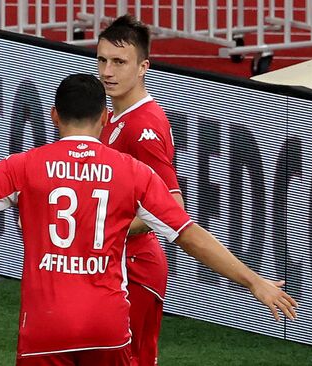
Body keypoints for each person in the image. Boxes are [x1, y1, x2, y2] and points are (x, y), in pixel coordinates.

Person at [0, 74, 297, 366]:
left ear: (54, 116)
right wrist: (253, 280)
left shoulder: (25, 166)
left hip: (45, 325)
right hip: (106, 324)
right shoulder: (133, 173)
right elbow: (189, 235)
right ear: (102, 118)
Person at [97, 14, 183, 366]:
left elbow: (172, 205)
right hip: (116, 261)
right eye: (102, 60)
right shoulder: (114, 116)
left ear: (143, 66)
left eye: (119, 62)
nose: (107, 72)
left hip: (136, 264)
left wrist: (103, 229)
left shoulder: (143, 127)